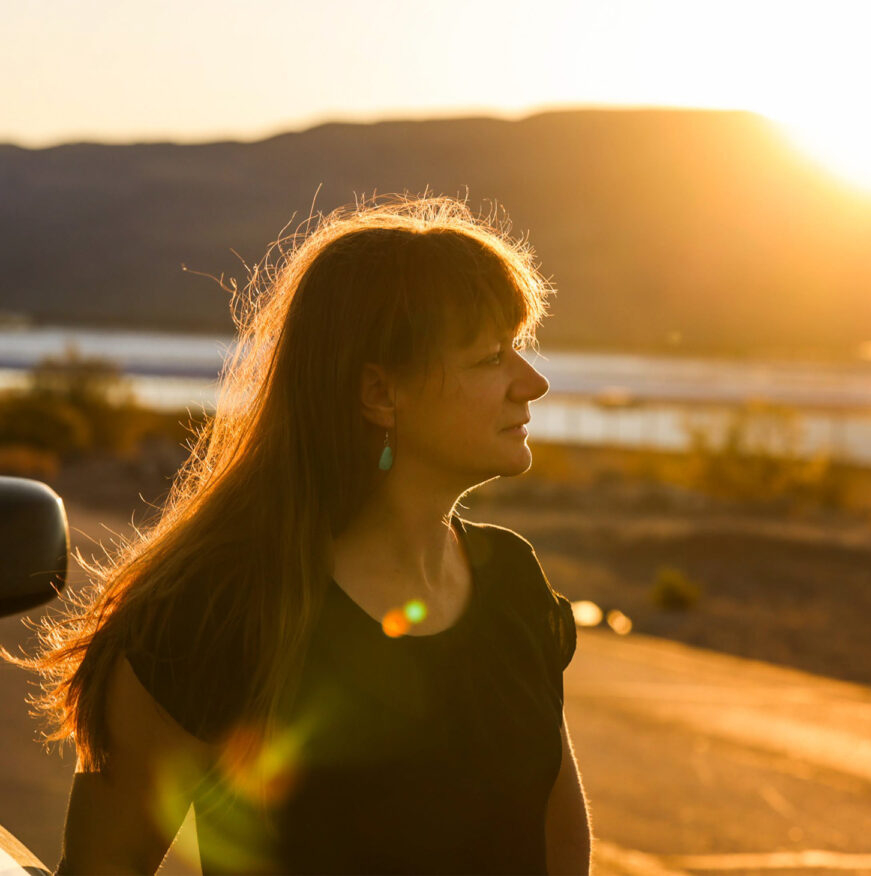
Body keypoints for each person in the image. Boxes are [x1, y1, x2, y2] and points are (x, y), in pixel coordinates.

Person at [9, 197, 591, 874]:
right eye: (492, 357)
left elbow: (560, 849)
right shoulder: (211, 615)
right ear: (380, 392)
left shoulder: (514, 583)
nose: (534, 383)